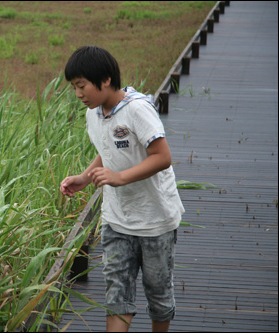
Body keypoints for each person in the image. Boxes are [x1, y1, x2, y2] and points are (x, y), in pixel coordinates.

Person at [60, 46, 185, 332]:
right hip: (117, 220)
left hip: (155, 220)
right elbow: (108, 150)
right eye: (74, 87)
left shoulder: (138, 109)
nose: (78, 94)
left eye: (82, 86)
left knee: (158, 293)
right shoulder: (94, 113)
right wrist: (84, 176)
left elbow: (162, 157)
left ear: (105, 80)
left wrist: (120, 178)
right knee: (117, 296)